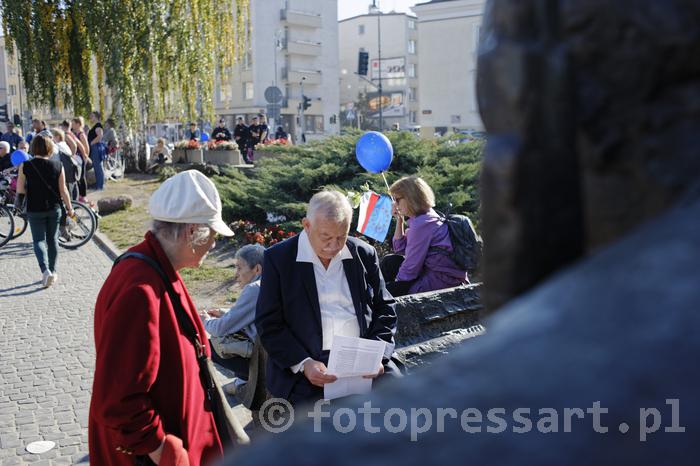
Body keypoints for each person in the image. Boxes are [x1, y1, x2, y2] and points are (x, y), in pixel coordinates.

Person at [89, 170, 235, 466]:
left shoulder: (157, 268)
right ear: (191, 232)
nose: (215, 244)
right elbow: (119, 399)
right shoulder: (140, 290)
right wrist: (164, 450)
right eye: (214, 235)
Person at [256, 190, 398, 405]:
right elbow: (269, 323)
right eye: (326, 237)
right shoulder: (279, 258)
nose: (333, 246)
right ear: (306, 225)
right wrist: (304, 363)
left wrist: (378, 354)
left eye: (341, 237)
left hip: (364, 359)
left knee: (405, 402)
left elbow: (385, 307)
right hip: (309, 367)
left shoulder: (363, 253)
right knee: (320, 426)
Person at [382, 175, 468, 296]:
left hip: (441, 281)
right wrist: (399, 220)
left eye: (397, 199)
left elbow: (411, 267)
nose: (395, 204)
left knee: (383, 296)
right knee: (390, 262)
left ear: (410, 198)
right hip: (441, 275)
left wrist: (394, 286)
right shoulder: (427, 216)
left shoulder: (422, 224)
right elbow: (400, 248)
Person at [201, 244, 264, 391]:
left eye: (240, 268)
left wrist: (205, 321)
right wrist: (224, 312)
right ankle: (241, 380)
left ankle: (245, 379)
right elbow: (249, 314)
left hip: (263, 360)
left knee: (208, 346)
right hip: (269, 353)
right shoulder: (269, 283)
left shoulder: (254, 289)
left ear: (257, 269)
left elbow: (221, 329)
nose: (236, 274)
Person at [15, 134, 74, 287]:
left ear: (33, 148)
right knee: (53, 240)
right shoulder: (58, 165)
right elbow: (64, 191)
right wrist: (70, 208)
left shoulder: (25, 165)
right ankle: (53, 271)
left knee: (38, 240)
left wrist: (17, 207)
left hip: (34, 209)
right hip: (54, 209)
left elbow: (20, 190)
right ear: (49, 149)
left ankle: (45, 270)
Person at [50, 129, 80, 200]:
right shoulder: (65, 145)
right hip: (70, 173)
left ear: (57, 137)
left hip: (63, 174)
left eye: (51, 136)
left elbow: (55, 161)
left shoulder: (56, 146)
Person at [71, 117, 90, 201]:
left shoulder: (81, 134)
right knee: (79, 176)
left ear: (78, 124)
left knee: (82, 177)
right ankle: (81, 195)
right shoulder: (76, 133)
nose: (72, 125)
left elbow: (86, 147)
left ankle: (83, 195)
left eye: (73, 123)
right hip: (78, 157)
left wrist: (85, 157)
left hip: (81, 158)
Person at [88, 111, 106, 191]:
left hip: (95, 147)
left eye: (92, 116)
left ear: (96, 117)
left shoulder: (98, 125)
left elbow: (100, 136)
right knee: (97, 167)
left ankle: (100, 186)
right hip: (95, 147)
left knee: (98, 167)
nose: (90, 118)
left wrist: (91, 143)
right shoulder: (96, 126)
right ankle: (99, 185)